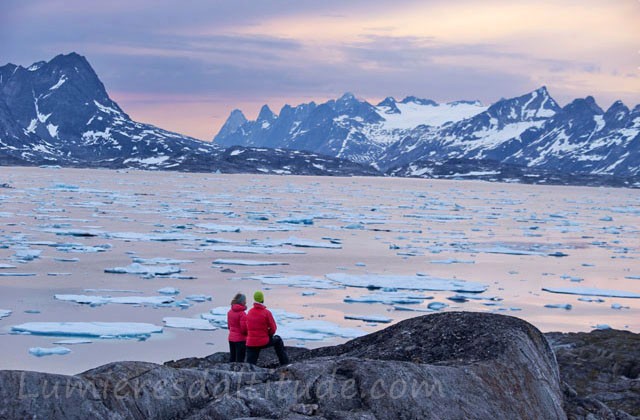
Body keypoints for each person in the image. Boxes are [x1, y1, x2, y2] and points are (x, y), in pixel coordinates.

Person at [245, 290, 289, 366]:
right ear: (262, 299)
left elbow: (247, 327)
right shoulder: (266, 313)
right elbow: (273, 329)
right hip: (263, 341)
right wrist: (268, 334)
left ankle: (250, 369)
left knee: (251, 363)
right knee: (278, 340)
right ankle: (284, 363)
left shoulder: (249, 312)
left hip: (251, 342)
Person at [227, 292, 248, 363]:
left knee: (232, 358)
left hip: (231, 338)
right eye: (245, 300)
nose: (246, 302)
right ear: (242, 302)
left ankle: (230, 373)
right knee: (240, 361)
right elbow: (244, 329)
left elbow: (229, 326)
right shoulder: (242, 314)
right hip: (240, 340)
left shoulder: (230, 312)